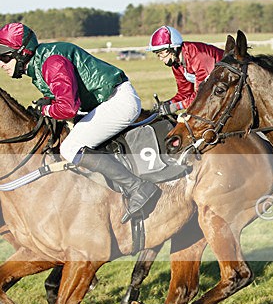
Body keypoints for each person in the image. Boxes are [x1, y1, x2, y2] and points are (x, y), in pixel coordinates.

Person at [0, 22, 159, 223]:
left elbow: (68, 108)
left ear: (23, 53)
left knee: (70, 148)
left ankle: (137, 186)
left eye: (5, 57)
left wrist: (44, 109)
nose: (1, 64)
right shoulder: (40, 63)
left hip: (118, 102)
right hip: (104, 102)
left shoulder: (52, 62)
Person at [147, 25, 224, 115]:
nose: (160, 58)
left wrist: (177, 106)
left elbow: (203, 94)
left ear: (174, 48)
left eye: (161, 53)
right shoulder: (176, 63)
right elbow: (185, 92)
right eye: (158, 55)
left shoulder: (199, 55)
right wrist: (168, 103)